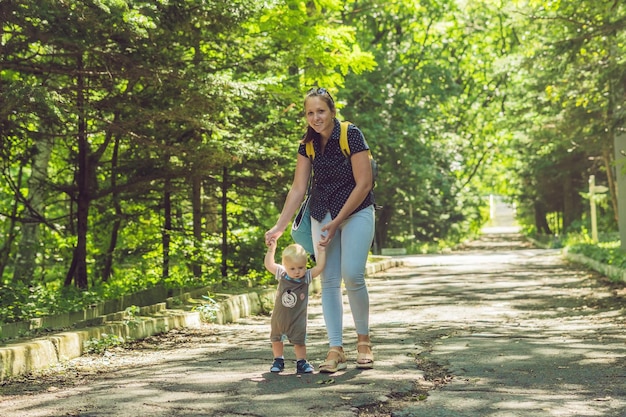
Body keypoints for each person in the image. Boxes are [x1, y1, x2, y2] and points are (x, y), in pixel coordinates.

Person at [265, 87, 375, 373]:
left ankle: (363, 341)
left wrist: (337, 221)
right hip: (321, 213)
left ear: (332, 111)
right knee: (328, 280)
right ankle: (335, 348)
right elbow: (299, 187)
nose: (316, 117)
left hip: (356, 211)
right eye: (310, 112)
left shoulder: (351, 134)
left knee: (352, 274)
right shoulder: (308, 144)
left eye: (321, 111)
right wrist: (280, 226)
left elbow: (364, 183)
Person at [264, 240, 326, 374]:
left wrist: (321, 252)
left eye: (301, 267)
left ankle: (301, 361)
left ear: (305, 265)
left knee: (299, 340)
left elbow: (320, 267)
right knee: (276, 338)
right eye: (292, 268)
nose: (297, 271)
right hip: (280, 317)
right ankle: (278, 360)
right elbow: (269, 265)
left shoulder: (306, 277)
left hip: (298, 318)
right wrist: (271, 249)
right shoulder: (282, 274)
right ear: (285, 266)